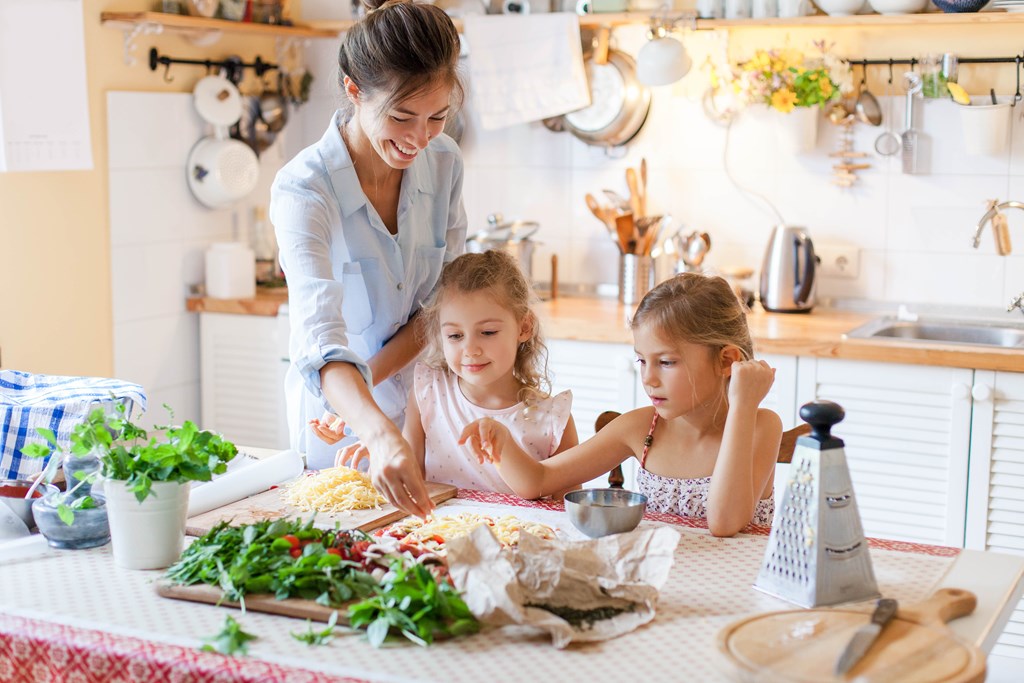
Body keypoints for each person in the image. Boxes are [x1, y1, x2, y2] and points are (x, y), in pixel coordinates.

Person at [269, 0, 466, 517]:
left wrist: (387, 405)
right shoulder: (304, 190)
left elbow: (443, 307)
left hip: (428, 414)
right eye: (401, 117)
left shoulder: (444, 162)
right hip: (337, 427)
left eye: (437, 117)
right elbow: (320, 342)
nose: (419, 139)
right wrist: (375, 429)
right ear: (353, 90)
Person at [459, 273, 783, 537]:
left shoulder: (760, 426)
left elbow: (725, 523)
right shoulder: (643, 428)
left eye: (667, 362)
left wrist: (742, 404)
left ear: (726, 360)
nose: (649, 378)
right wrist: (501, 441)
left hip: (738, 597)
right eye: (642, 360)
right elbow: (538, 481)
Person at [334, 250, 579, 497]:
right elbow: (411, 480)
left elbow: (566, 517)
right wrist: (383, 453)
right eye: (455, 336)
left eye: (488, 332)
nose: (470, 350)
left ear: (524, 327)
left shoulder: (554, 419)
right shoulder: (427, 392)